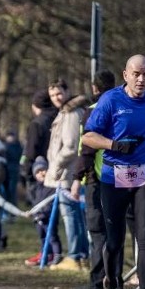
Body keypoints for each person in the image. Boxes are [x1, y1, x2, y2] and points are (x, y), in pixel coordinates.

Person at [82, 54, 145, 289]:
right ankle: (110, 287)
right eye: (136, 74)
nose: (141, 79)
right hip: (114, 177)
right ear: (125, 75)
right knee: (114, 240)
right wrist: (114, 145)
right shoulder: (110, 100)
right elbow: (88, 136)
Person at [70, 69, 118, 289]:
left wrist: (76, 177)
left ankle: (98, 283)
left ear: (94, 89)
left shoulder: (92, 112)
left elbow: (86, 148)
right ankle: (116, 282)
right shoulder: (123, 107)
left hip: (97, 178)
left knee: (98, 232)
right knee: (115, 232)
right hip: (122, 176)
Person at [44, 78, 89, 271]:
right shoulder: (65, 112)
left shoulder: (71, 114)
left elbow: (70, 147)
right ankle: (81, 256)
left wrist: (54, 167)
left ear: (67, 91)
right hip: (67, 173)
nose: (56, 98)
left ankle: (74, 256)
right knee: (75, 216)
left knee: (71, 217)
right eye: (52, 95)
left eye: (59, 93)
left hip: (67, 174)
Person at [24, 156, 61, 266]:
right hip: (38, 218)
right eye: (38, 172)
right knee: (43, 237)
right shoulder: (35, 188)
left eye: (43, 170)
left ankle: (57, 255)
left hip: (48, 216)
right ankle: (46, 255)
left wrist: (44, 212)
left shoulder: (51, 187)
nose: (41, 173)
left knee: (52, 236)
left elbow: (50, 203)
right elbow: (35, 203)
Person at [21, 90, 58, 185]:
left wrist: (27, 172)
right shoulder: (60, 117)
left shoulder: (36, 124)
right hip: (58, 169)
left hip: (39, 171)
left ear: (35, 105)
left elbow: (31, 150)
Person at [3, 130, 23, 208]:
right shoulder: (5, 146)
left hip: (14, 170)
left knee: (12, 190)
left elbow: (20, 157)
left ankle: (12, 207)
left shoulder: (17, 146)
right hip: (7, 170)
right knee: (8, 190)